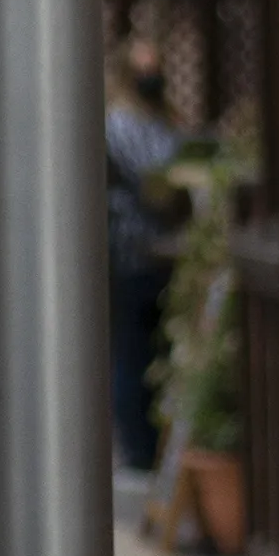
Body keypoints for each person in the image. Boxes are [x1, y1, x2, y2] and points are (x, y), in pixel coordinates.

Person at [106, 38, 185, 473]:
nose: (153, 76)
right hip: (134, 254)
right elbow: (154, 182)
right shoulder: (120, 123)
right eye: (144, 68)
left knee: (159, 353)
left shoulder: (161, 120)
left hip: (166, 256)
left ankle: (153, 443)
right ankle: (137, 446)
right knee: (134, 354)